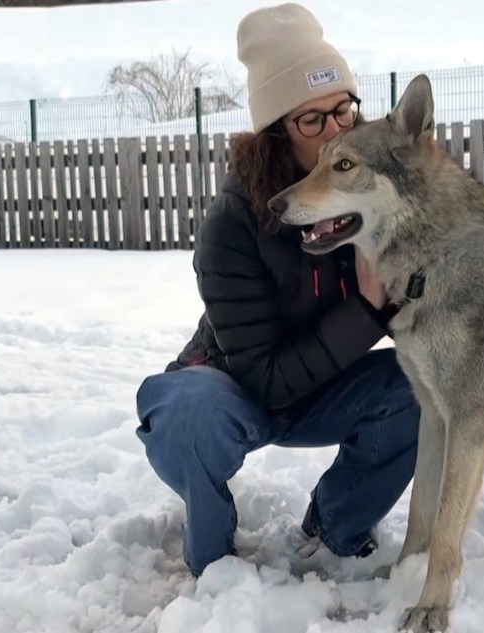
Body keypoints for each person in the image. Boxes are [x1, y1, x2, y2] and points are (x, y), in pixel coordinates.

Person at [133, 2, 421, 577]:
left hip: (328, 387)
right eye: (311, 120)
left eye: (343, 109)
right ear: (275, 134)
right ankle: (215, 563)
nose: (337, 131)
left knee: (421, 388)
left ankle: (336, 527)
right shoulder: (231, 225)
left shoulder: (373, 198)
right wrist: (366, 310)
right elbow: (263, 379)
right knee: (183, 417)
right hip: (238, 389)